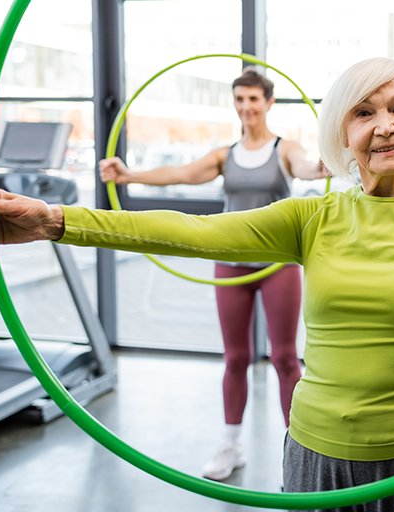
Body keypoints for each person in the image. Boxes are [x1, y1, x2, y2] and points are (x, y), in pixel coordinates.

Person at [0, 57, 394, 512]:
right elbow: (192, 233)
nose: (384, 123)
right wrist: (55, 220)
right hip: (316, 453)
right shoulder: (313, 217)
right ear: (343, 136)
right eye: (363, 113)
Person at [98, 68, 327, 481]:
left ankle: (299, 452)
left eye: (254, 99)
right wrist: (128, 174)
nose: (246, 107)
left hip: (278, 263)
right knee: (235, 357)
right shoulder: (226, 155)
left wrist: (319, 168)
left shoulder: (283, 148)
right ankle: (230, 445)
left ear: (268, 103)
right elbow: (181, 173)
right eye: (240, 99)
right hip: (231, 262)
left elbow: (307, 167)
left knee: (285, 357)